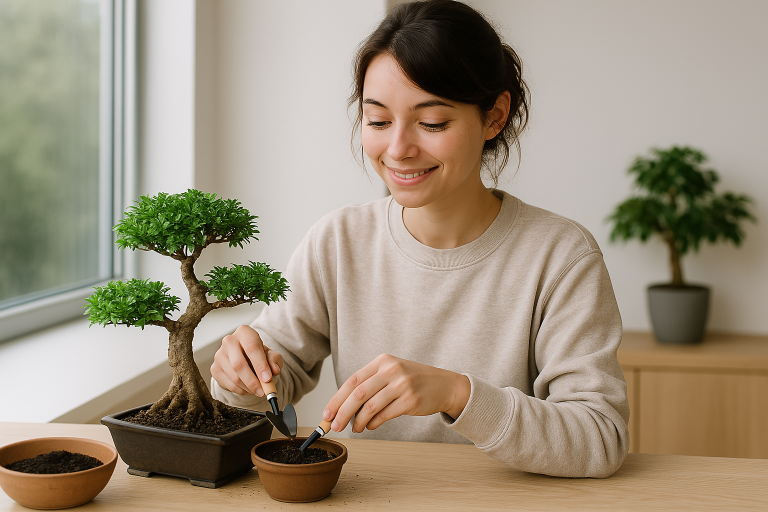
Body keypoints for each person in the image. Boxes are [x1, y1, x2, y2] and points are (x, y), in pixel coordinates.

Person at [210, 0, 629, 478]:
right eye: (378, 121)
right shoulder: (337, 242)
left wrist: (457, 394)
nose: (399, 150)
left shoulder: (560, 256)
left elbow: (599, 437)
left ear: (494, 116)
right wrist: (240, 375)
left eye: (432, 123)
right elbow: (265, 391)